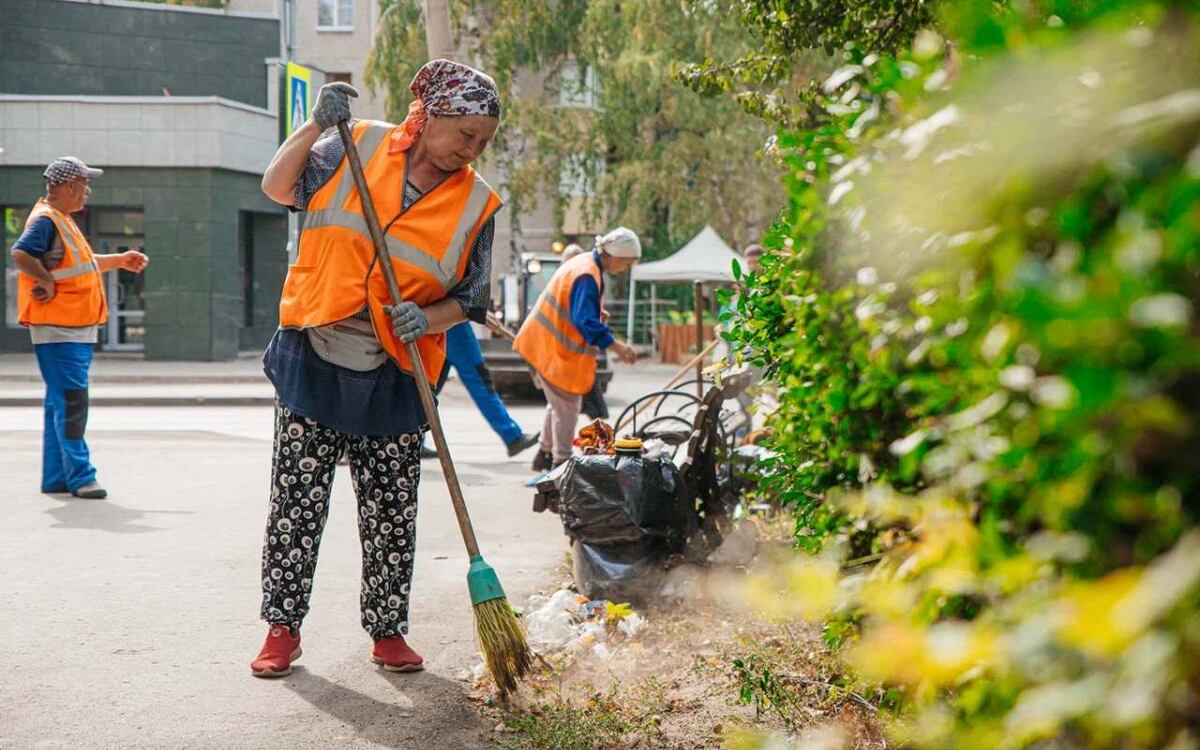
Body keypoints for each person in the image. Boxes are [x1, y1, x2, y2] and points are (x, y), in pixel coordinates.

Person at [249, 60, 503, 678]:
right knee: (297, 503)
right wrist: (312, 128)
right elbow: (278, 187)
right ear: (430, 116)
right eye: (465, 133)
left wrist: (430, 317)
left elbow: (470, 299)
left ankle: (387, 631)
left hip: (397, 371)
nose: (472, 150)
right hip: (315, 350)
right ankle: (283, 628)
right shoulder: (354, 144)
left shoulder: (477, 203)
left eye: (484, 141)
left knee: (391, 509)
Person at [9, 157, 149, 500]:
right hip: (61, 328)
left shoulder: (60, 220)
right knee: (73, 401)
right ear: (69, 186)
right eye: (85, 184)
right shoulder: (46, 220)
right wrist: (44, 280)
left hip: (69, 327)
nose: (88, 190)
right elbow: (21, 253)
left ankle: (56, 476)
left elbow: (83, 265)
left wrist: (119, 260)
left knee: (60, 403)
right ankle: (82, 477)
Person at [514, 228, 640, 472]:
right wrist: (617, 346)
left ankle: (544, 453)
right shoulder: (587, 273)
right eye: (626, 263)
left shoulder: (585, 266)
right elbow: (585, 321)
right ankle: (561, 465)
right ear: (615, 255)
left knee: (558, 406)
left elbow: (580, 311)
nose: (625, 269)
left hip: (546, 345)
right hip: (553, 349)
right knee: (567, 408)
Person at [420, 320, 540, 459]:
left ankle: (414, 437)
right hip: (454, 327)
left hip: (438, 326)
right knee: (480, 381)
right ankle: (512, 436)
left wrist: (481, 311)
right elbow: (467, 300)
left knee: (428, 389)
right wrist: (479, 311)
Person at [558, 243, 610, 421]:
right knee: (569, 404)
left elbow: (587, 313)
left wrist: (599, 315)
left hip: (582, 348)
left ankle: (546, 447)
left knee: (564, 403)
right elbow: (580, 316)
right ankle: (599, 427)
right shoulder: (582, 277)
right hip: (572, 349)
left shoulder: (585, 278)